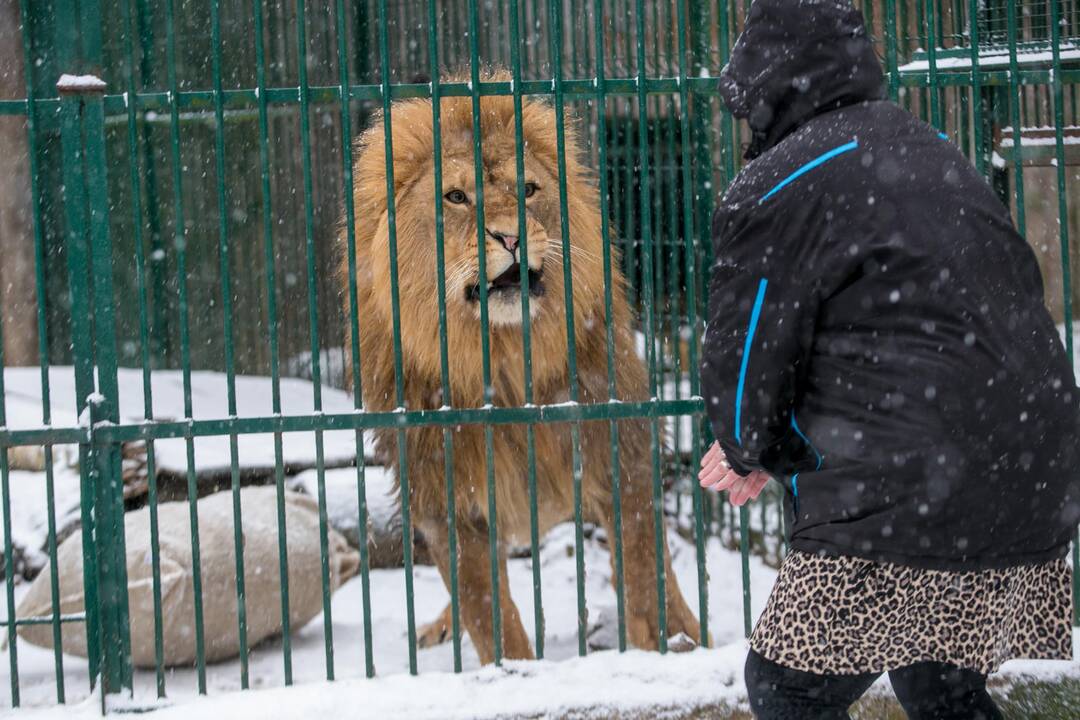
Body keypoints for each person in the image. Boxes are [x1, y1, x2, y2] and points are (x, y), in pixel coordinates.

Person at [698, 1, 1079, 718]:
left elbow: (748, 355)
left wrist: (751, 448)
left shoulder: (781, 183)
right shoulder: (926, 147)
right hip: (1033, 469)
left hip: (912, 484)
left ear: (765, 86)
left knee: (787, 688)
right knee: (939, 680)